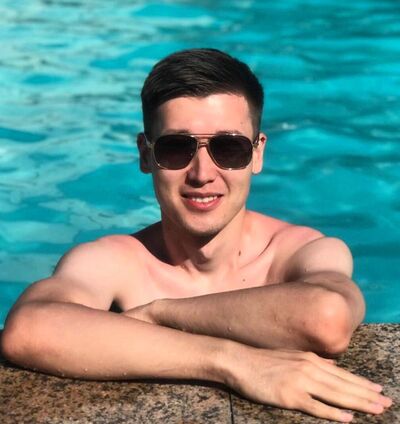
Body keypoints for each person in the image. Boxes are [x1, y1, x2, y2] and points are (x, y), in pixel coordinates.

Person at [1, 48, 392, 422]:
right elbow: (30, 329)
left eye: (229, 148)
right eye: (176, 148)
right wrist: (231, 362)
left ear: (257, 154)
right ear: (145, 155)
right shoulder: (117, 260)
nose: (202, 173)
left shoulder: (296, 251)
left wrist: (160, 313)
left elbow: (327, 318)